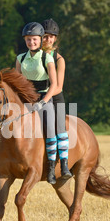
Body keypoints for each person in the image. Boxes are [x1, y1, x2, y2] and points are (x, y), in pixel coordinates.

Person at [0, 22, 60, 184]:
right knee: (6, 125)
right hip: (26, 100)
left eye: (34, 39)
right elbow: (18, 83)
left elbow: (54, 85)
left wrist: (43, 102)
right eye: (28, 40)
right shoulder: (20, 58)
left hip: (44, 99)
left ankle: (50, 169)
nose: (31, 42)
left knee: (50, 129)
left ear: (41, 40)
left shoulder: (48, 58)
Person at [41, 18, 72, 179]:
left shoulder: (59, 60)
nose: (48, 40)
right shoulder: (33, 57)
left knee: (60, 128)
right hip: (37, 97)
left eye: (51, 37)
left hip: (55, 98)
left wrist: (44, 98)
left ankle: (64, 165)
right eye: (45, 36)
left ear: (55, 39)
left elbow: (59, 87)